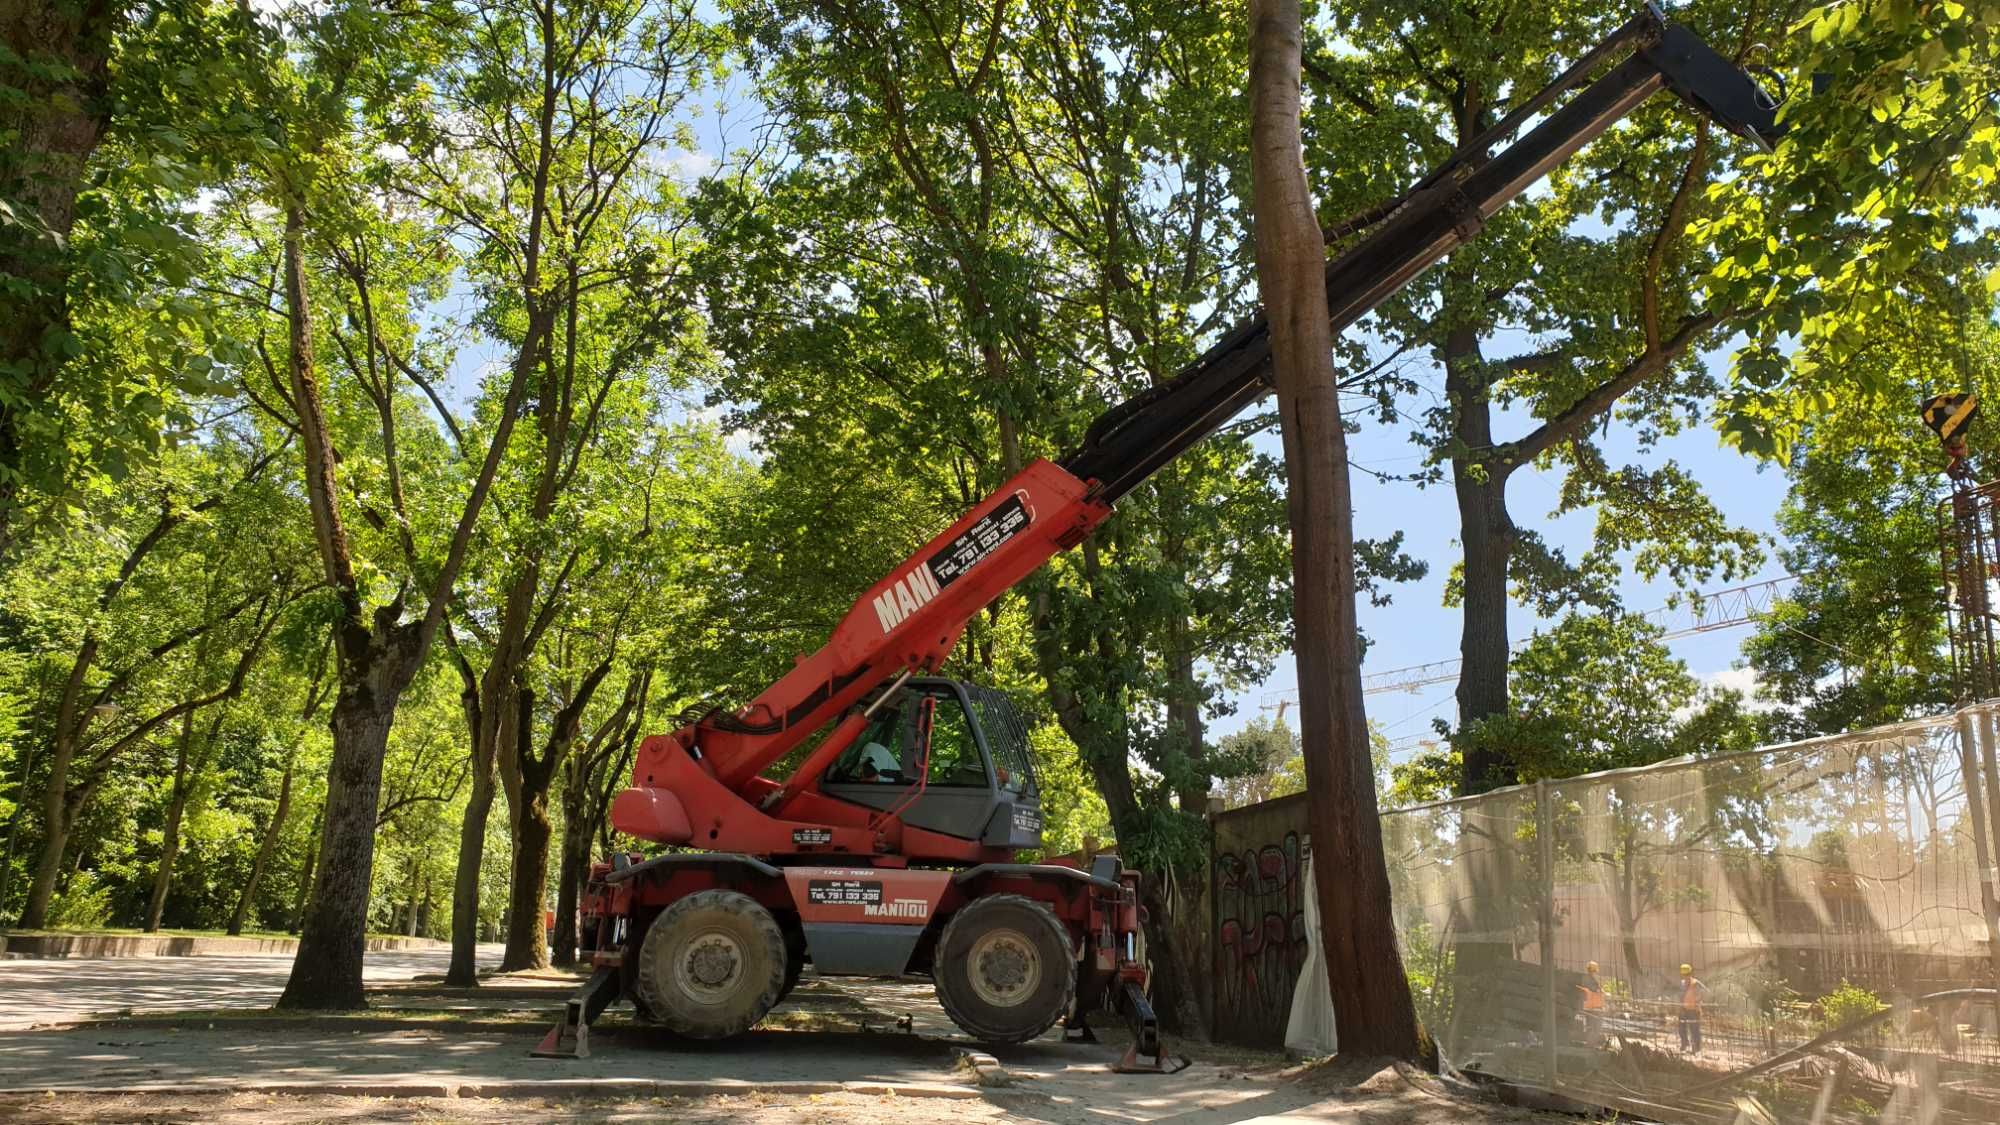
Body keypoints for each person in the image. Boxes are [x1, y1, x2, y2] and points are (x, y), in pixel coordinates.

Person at [1677, 963, 1708, 1053]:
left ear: (1690, 974)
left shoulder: (1696, 983)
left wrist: (1698, 1000)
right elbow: (1681, 996)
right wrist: (1681, 1006)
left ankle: (1696, 1047)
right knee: (1681, 1028)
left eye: (1687, 974)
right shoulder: (1682, 983)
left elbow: (1705, 992)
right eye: (1684, 975)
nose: (1685, 976)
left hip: (1694, 1010)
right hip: (1684, 1009)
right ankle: (1684, 1043)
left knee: (1694, 1029)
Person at [1577, 961, 1606, 1041]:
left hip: (1589, 1006)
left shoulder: (1587, 978)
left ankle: (1589, 1041)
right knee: (1594, 1027)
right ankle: (1590, 1043)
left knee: (1590, 1025)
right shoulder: (1591, 980)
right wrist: (1602, 992)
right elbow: (1596, 990)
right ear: (1594, 971)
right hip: (1593, 1007)